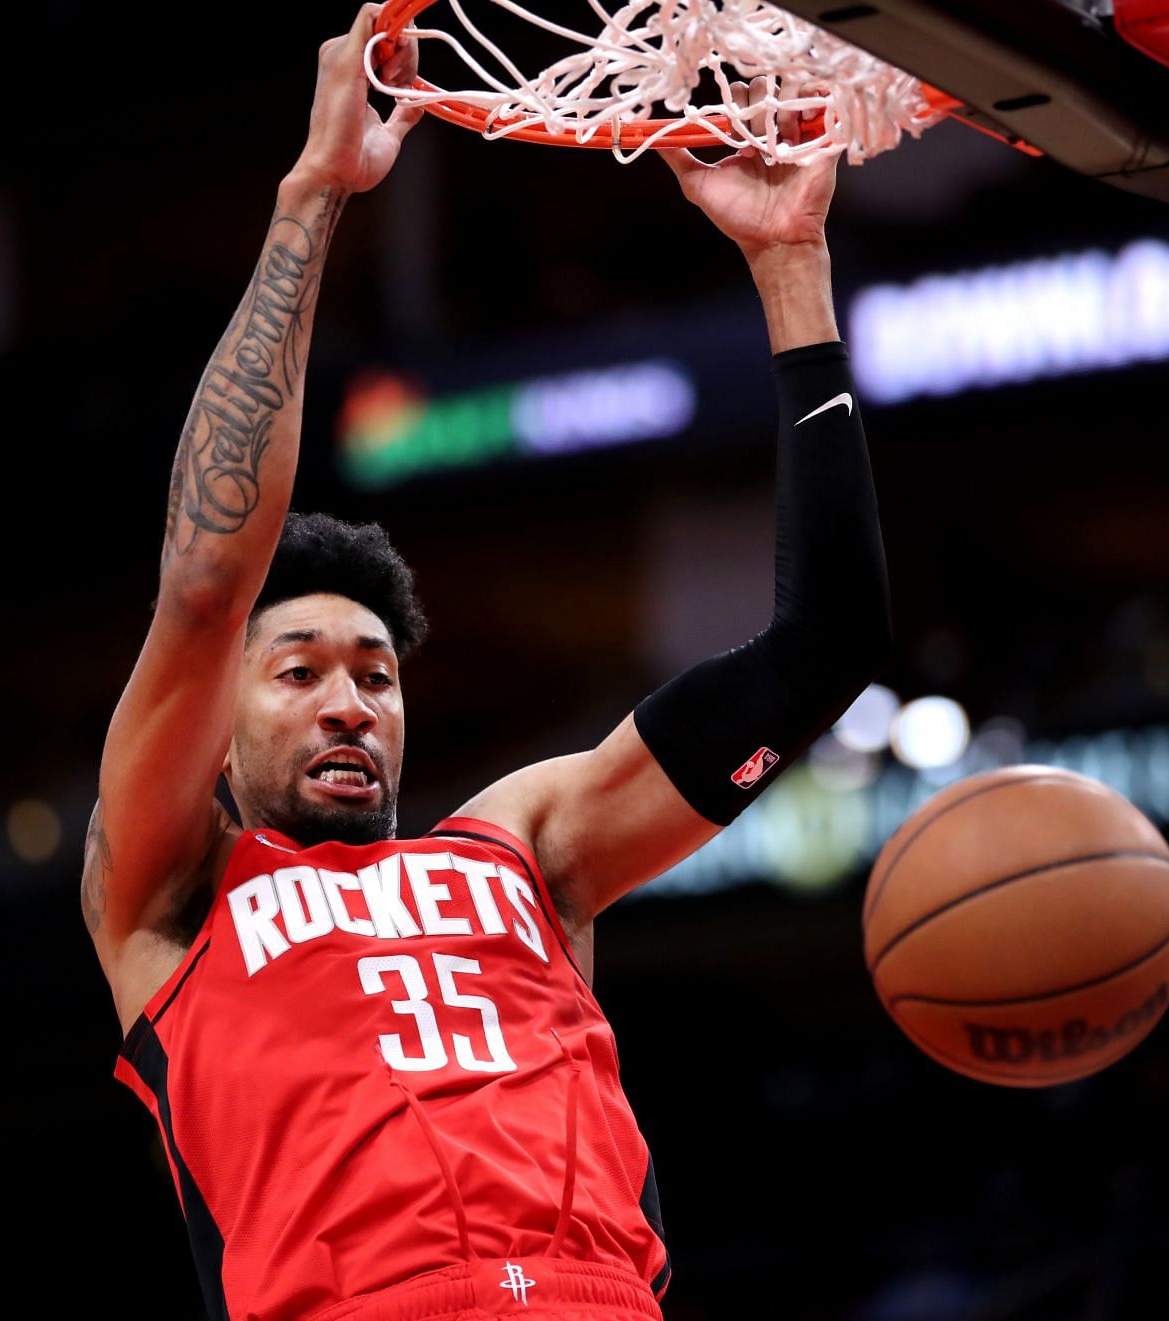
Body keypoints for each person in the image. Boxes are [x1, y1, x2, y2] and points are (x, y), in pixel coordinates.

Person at [82, 5, 892, 1317]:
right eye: (298, 672)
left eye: (376, 673)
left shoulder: (518, 844)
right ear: (215, 732)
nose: (351, 701)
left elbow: (825, 648)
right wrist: (312, 197)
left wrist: (791, 266)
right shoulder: (173, 893)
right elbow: (202, 586)